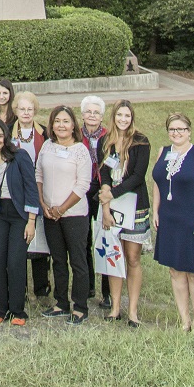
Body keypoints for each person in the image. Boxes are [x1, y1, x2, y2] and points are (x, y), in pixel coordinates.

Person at [152, 112, 194, 333]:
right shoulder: (163, 152)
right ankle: (185, 321)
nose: (176, 133)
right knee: (175, 271)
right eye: (172, 129)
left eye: (181, 129)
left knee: (193, 273)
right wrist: (156, 210)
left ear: (189, 131)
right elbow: (157, 182)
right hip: (170, 220)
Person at [0, 119, 40, 326]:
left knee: (15, 261)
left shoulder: (20, 156)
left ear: (6, 137)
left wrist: (31, 221)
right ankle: (0, 308)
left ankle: (18, 310)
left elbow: (32, 189)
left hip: (19, 215)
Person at [36, 105, 92, 325]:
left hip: (74, 215)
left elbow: (83, 184)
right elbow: (38, 174)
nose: (61, 125)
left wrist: (62, 208)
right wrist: (43, 203)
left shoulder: (80, 150)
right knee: (58, 260)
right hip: (50, 214)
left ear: (73, 125)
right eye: (57, 121)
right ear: (52, 125)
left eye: (65, 121)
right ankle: (61, 303)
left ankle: (80, 306)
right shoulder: (48, 146)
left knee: (78, 261)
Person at [97, 100, 150, 327]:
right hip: (113, 207)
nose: (123, 119)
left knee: (132, 258)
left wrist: (113, 193)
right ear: (114, 116)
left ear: (132, 117)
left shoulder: (141, 141)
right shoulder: (105, 141)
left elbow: (138, 176)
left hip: (135, 206)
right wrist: (107, 200)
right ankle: (115, 307)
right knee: (114, 256)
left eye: (127, 116)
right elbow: (105, 175)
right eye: (120, 115)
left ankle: (133, 311)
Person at [12, 91, 51, 300]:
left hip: (38, 191)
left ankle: (41, 286)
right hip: (16, 194)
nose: (26, 113)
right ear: (15, 111)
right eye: (22, 109)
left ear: (35, 111)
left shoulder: (44, 133)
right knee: (20, 241)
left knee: (41, 238)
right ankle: (21, 288)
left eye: (29, 109)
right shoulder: (8, 133)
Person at [80, 95, 110, 307]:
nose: (92, 116)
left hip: (103, 189)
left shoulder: (109, 136)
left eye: (96, 112)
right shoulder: (75, 133)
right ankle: (88, 284)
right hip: (81, 189)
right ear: (82, 114)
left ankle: (107, 291)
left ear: (102, 116)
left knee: (104, 239)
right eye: (88, 112)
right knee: (84, 238)